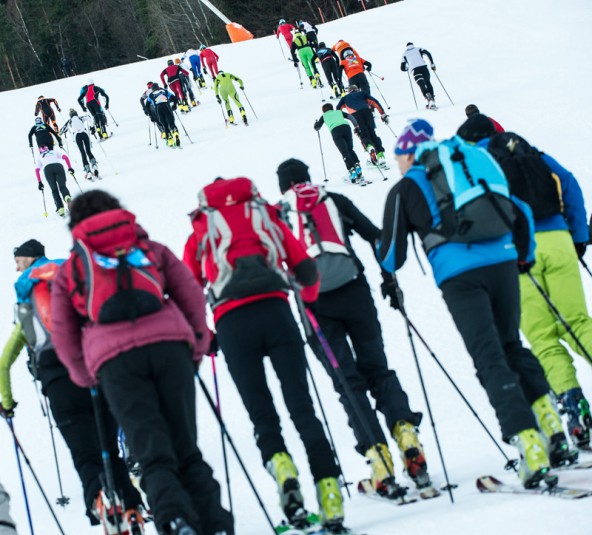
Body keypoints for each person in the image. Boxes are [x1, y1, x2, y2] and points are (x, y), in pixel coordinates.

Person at [377, 119, 575, 488]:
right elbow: (522, 212)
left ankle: (528, 444)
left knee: (489, 356)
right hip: (503, 262)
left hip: (460, 277)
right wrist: (523, 256)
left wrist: (385, 267)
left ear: (408, 152)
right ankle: (551, 428)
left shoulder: (408, 186)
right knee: (512, 345)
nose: (398, 164)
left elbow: (391, 255)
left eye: (397, 157)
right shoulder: (467, 163)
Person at [51, 190, 234, 535]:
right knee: (186, 450)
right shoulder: (148, 248)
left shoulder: (75, 266)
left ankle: (176, 521)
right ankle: (216, 525)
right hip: (170, 350)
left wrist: (87, 375)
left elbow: (62, 331)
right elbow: (190, 295)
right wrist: (195, 343)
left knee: (152, 454)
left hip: (116, 363)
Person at [183, 177, 345, 531]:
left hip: (232, 323)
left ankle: (281, 466)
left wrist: (205, 335)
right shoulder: (263, 216)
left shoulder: (201, 229)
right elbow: (305, 268)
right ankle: (329, 491)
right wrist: (309, 301)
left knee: (262, 415)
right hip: (277, 313)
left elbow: (188, 293)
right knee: (303, 409)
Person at [276, 159, 432, 497]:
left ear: (281, 187)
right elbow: (376, 237)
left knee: (347, 382)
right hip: (355, 292)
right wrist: (388, 280)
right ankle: (405, 433)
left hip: (315, 306)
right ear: (307, 180)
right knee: (377, 368)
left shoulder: (277, 215)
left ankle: (378, 460)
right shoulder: (334, 200)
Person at [458, 113, 592, 449]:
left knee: (543, 336)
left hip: (516, 254)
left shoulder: (478, 165)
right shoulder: (533, 154)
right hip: (558, 239)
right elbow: (570, 184)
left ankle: (576, 412)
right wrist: (578, 237)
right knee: (576, 321)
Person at [0, 239, 145, 531]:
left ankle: (101, 501)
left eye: (18, 260)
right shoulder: (73, 281)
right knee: (111, 451)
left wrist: (7, 402)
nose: (16, 266)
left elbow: (3, 362)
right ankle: (132, 508)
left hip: (58, 382)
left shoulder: (27, 300)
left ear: (30, 259)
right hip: (95, 371)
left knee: (86, 456)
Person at [336, 85, 388, 167]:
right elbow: (375, 102)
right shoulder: (362, 93)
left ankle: (369, 146)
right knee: (372, 133)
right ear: (357, 89)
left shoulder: (344, 98)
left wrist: (342, 118)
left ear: (349, 91)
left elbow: (338, 109)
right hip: (367, 112)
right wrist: (382, 114)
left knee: (363, 134)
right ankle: (381, 156)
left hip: (355, 116)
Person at [314, 103, 362, 183]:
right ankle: (357, 166)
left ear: (324, 111)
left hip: (335, 131)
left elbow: (317, 127)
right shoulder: (338, 112)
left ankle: (352, 170)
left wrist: (315, 124)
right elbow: (351, 117)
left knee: (344, 152)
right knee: (350, 149)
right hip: (346, 128)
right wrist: (356, 126)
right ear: (332, 108)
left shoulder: (324, 116)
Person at [34, 146, 73, 216]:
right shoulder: (54, 151)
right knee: (62, 186)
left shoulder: (40, 156)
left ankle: (60, 208)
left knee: (54, 189)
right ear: (47, 148)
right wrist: (70, 168)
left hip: (47, 169)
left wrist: (39, 182)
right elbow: (66, 157)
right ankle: (67, 197)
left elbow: (37, 170)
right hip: (58, 166)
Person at [60, 109, 98, 179]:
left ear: (70, 116)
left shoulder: (70, 121)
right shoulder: (80, 118)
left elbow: (61, 131)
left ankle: (88, 171)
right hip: (84, 133)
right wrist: (92, 128)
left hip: (77, 136)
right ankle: (94, 165)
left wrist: (63, 131)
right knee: (88, 151)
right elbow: (88, 117)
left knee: (83, 153)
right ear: (76, 114)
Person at [401, 42, 436, 109]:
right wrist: (432, 64)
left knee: (421, 84)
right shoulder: (418, 49)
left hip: (415, 70)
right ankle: (432, 99)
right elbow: (428, 53)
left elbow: (402, 68)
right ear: (413, 45)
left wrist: (407, 68)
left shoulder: (404, 54)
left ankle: (428, 98)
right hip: (424, 68)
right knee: (428, 82)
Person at [146, 82, 181, 147]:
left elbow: (147, 105)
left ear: (152, 89)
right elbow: (174, 98)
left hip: (158, 110)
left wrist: (151, 116)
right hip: (167, 107)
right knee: (171, 123)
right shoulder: (165, 91)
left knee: (165, 125)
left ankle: (170, 140)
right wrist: (174, 105)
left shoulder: (150, 95)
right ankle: (175, 133)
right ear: (158, 87)